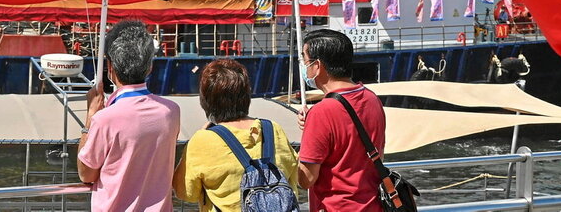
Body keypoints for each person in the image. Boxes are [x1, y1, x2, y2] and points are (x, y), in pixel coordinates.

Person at [78, 20, 180, 212]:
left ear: (110, 67)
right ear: (149, 67)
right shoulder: (171, 112)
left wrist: (91, 115)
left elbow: (86, 173)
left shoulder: (104, 119)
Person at [173, 59, 298, 211]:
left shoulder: (202, 140)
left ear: (206, 100)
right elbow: (293, 176)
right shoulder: (273, 129)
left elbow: (185, 193)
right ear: (246, 95)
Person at [297, 29, 386, 212]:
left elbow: (306, 180)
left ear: (317, 65)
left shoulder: (322, 112)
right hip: (373, 205)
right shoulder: (372, 99)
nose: (305, 67)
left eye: (305, 61)